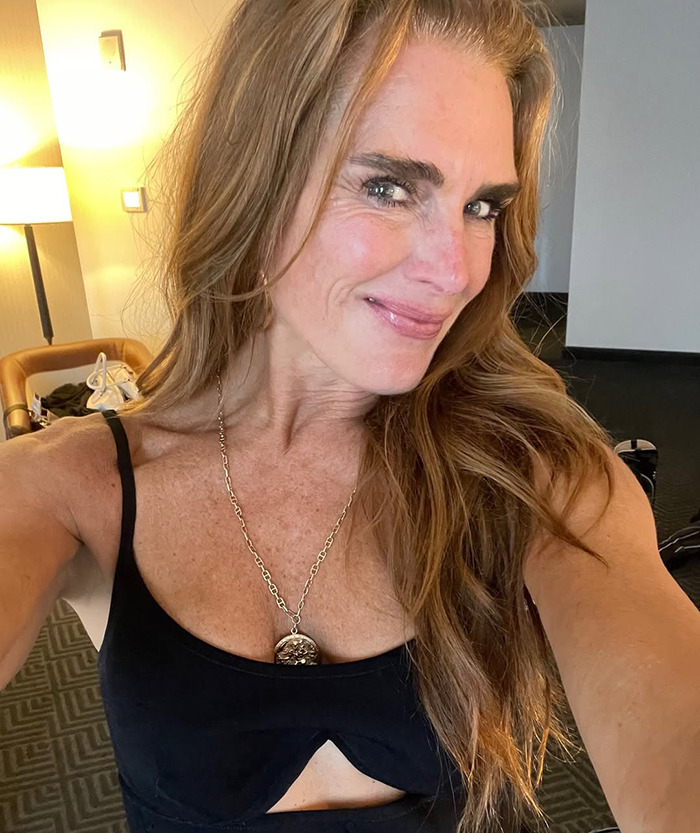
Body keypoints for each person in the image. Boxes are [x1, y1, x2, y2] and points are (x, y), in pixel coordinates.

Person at [3, 1, 699, 832]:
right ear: (250, 182)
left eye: (482, 206)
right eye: (388, 187)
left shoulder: (534, 471)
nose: (455, 272)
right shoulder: (73, 484)